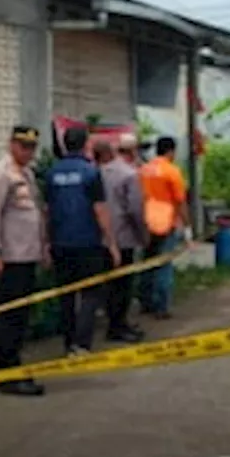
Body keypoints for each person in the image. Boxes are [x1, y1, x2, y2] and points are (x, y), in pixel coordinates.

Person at [44, 126, 121, 356]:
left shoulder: (52, 173)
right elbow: (100, 210)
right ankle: (82, 343)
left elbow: (46, 211)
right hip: (87, 242)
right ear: (86, 144)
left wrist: (46, 242)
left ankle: (68, 344)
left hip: (60, 243)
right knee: (90, 293)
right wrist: (111, 242)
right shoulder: (90, 172)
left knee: (66, 296)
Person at [0, 125, 48, 396]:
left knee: (20, 317)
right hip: (10, 258)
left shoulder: (28, 174)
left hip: (27, 255)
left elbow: (37, 213)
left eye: (32, 147)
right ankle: (8, 372)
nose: (28, 152)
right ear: (11, 145)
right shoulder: (1, 173)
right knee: (11, 315)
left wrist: (44, 247)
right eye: (23, 146)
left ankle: (10, 366)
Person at [94, 135, 146, 343]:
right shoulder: (129, 174)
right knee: (123, 285)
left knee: (108, 285)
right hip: (124, 237)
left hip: (99, 238)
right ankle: (118, 326)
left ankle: (116, 323)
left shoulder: (95, 172)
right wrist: (143, 234)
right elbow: (136, 209)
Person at [139, 136, 191, 320]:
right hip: (165, 221)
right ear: (171, 151)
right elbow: (181, 201)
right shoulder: (172, 171)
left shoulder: (144, 169)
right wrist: (187, 225)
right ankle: (162, 306)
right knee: (164, 264)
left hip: (146, 221)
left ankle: (145, 301)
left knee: (147, 263)